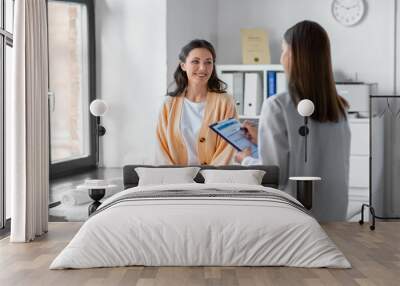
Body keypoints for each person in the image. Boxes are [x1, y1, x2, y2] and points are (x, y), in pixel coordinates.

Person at [236, 21, 350, 222]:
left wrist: (245, 159)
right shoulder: (339, 107)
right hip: (335, 215)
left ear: (292, 55)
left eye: (283, 50)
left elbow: (273, 174)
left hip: (295, 217)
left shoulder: (277, 105)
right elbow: (314, 152)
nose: (281, 58)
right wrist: (260, 142)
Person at [156, 39, 237, 165]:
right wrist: (176, 180)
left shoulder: (225, 102)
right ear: (183, 65)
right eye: (195, 61)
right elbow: (161, 149)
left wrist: (210, 179)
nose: (202, 68)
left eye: (208, 62)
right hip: (177, 181)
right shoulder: (169, 104)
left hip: (215, 180)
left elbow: (228, 148)